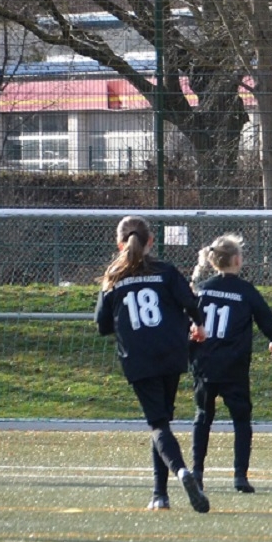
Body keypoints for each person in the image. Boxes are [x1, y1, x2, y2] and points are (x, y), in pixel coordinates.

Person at [94, 215, 210, 513]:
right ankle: (160, 494)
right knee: (163, 424)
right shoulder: (166, 271)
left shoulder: (113, 277)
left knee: (158, 425)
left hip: (139, 357)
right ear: (151, 241)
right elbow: (191, 302)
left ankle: (181, 472)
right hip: (171, 352)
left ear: (119, 244)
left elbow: (102, 325)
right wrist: (198, 325)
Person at [188, 233, 272, 495]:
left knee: (202, 417)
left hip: (205, 364)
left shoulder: (202, 288)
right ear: (237, 260)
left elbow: (188, 320)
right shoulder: (245, 291)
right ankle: (240, 476)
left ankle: (197, 472)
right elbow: (265, 319)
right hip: (234, 366)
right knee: (241, 421)